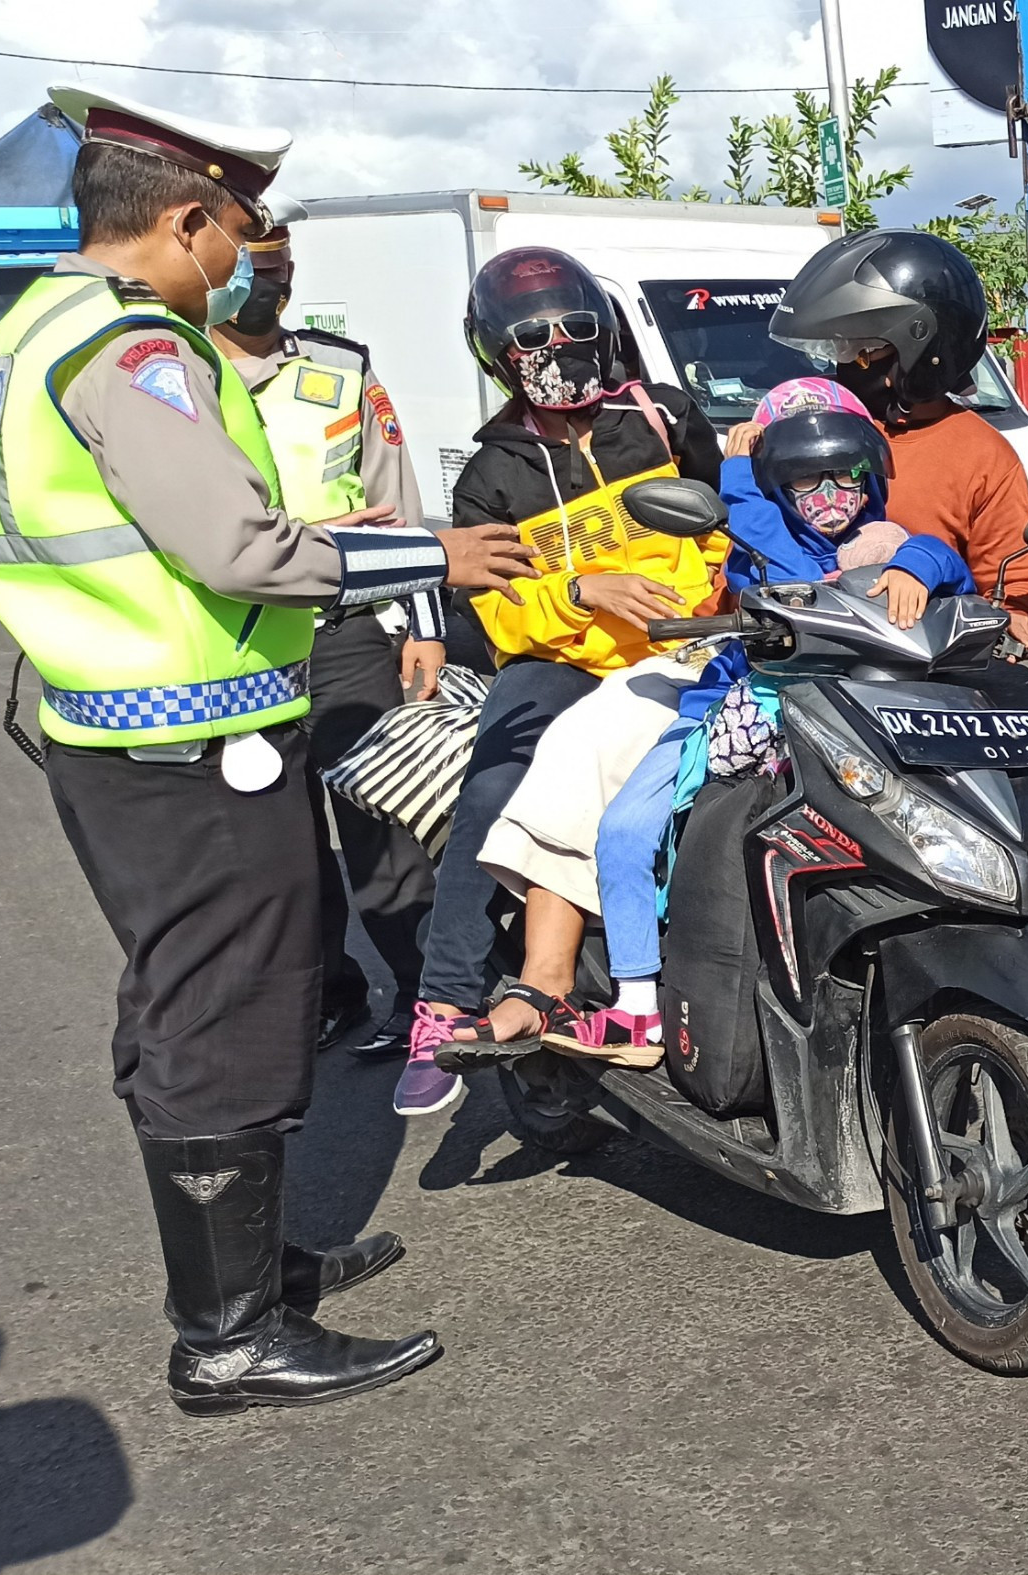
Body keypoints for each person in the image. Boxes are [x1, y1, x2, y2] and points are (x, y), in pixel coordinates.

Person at [0, 84, 537, 1412]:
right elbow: (238, 548)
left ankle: (254, 1273)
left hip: (111, 727)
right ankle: (228, 1334)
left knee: (187, 997)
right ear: (186, 219)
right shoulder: (134, 347)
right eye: (239, 229)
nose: (244, 258)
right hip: (194, 739)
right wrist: (430, 557)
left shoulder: (22, 330)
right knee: (228, 1014)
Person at [441, 403, 969, 1064]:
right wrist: (741, 471)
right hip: (720, 693)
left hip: (838, 708)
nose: (831, 497)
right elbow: (761, 544)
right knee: (626, 825)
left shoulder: (884, 545)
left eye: (847, 477)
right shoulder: (760, 541)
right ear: (778, 486)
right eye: (807, 481)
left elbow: (945, 557)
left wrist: (915, 566)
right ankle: (629, 1004)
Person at [400, 245, 723, 1114]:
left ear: (606, 330)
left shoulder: (666, 420)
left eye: (575, 330)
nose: (557, 352)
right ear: (498, 356)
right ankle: (444, 999)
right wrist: (583, 590)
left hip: (682, 645)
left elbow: (729, 524)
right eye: (531, 341)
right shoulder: (491, 476)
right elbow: (499, 614)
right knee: (497, 779)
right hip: (559, 662)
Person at [206, 192, 444, 1060]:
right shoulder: (186, 375)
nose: (272, 288)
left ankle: (426, 1003)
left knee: (382, 825)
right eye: (256, 272)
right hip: (240, 640)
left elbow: (402, 505)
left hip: (346, 633)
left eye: (283, 272)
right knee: (280, 841)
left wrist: (422, 624)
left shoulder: (343, 370)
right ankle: (324, 995)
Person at [766, 230, 1028, 652]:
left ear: (918, 353)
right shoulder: (809, 428)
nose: (840, 367)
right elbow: (747, 541)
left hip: (922, 663)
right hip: (803, 653)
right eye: (836, 349)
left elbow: (1009, 579)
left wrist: (1017, 614)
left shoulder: (981, 455)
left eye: (857, 351)